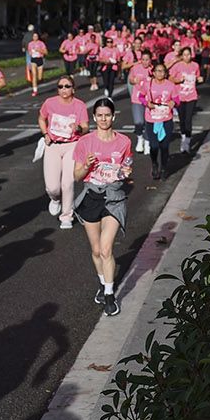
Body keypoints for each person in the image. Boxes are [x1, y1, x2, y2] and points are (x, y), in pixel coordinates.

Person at [74, 98, 132, 317]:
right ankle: (102, 282)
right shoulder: (85, 142)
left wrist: (126, 174)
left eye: (107, 115)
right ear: (94, 117)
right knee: (97, 250)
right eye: (99, 115)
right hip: (91, 195)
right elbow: (77, 175)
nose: (103, 119)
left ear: (113, 117)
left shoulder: (124, 142)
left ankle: (109, 294)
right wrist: (87, 165)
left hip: (114, 197)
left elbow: (126, 167)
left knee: (107, 248)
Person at [39, 75, 90, 228]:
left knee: (67, 183)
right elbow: (42, 119)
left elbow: (85, 126)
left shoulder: (79, 105)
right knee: (53, 187)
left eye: (67, 86)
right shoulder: (50, 103)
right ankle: (55, 199)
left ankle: (67, 216)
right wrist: (45, 134)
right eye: (60, 86)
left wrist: (79, 128)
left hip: (72, 145)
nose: (63, 89)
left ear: (73, 89)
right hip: (53, 145)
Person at [142, 60, 182, 180]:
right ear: (153, 73)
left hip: (166, 119)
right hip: (151, 119)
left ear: (165, 73)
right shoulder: (148, 84)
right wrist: (147, 103)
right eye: (158, 71)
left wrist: (173, 102)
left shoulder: (170, 85)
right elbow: (140, 96)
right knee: (154, 146)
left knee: (164, 146)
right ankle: (154, 164)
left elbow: (177, 100)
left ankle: (164, 168)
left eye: (163, 71)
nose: (160, 73)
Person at [168, 47, 203, 147]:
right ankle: (183, 136)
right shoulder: (177, 66)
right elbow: (170, 78)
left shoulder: (195, 65)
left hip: (192, 96)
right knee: (182, 119)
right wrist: (179, 80)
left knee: (188, 119)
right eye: (184, 55)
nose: (187, 57)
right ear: (181, 56)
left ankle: (187, 141)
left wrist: (199, 79)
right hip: (180, 96)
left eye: (188, 54)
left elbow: (197, 77)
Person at [126, 49, 154, 152]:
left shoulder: (153, 70)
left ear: (150, 60)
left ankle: (147, 142)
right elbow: (130, 79)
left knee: (148, 122)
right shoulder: (135, 68)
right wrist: (133, 80)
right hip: (137, 99)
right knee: (139, 122)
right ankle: (140, 138)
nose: (145, 62)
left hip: (149, 100)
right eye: (143, 59)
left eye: (147, 60)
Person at [26, 30, 48, 97]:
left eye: (36, 36)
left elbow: (46, 52)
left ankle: (40, 79)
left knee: (40, 78)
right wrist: (31, 53)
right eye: (34, 36)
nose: (35, 37)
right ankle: (35, 90)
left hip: (40, 59)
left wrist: (40, 50)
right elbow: (29, 52)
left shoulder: (41, 43)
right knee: (34, 75)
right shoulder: (30, 44)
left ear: (38, 37)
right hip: (33, 60)